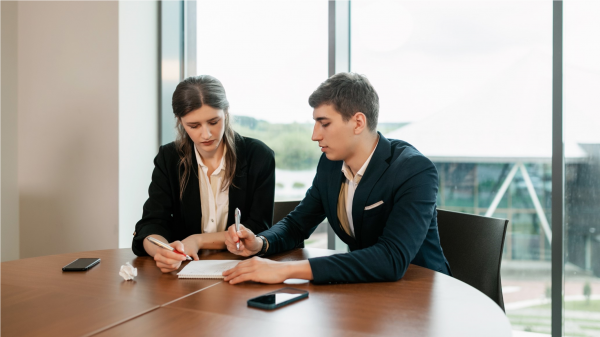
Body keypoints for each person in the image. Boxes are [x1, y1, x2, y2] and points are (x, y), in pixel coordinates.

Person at [222, 72, 451, 284]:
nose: (315, 135)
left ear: (358, 122)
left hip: (422, 291)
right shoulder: (330, 165)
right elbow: (297, 225)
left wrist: (287, 271)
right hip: (366, 288)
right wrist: (260, 243)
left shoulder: (414, 170)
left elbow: (391, 258)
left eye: (325, 123)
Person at [132, 75, 276, 273]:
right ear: (180, 122)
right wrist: (161, 251)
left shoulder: (258, 156)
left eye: (213, 121)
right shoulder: (169, 157)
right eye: (194, 126)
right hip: (185, 273)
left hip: (242, 269)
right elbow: (151, 224)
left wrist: (198, 240)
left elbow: (258, 228)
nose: (206, 134)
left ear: (226, 112)